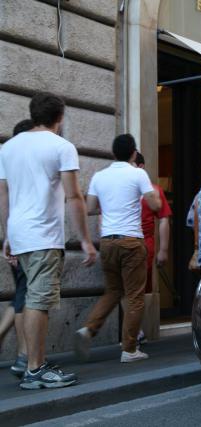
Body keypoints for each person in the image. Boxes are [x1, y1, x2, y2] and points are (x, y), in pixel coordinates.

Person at [0, 92, 97, 389]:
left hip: (19, 234)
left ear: (33, 114)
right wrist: (85, 240)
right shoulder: (61, 146)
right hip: (43, 236)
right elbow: (74, 197)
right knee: (38, 302)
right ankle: (35, 368)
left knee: (29, 298)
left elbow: (3, 194)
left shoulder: (8, 147)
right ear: (60, 117)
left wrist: (6, 235)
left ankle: (31, 362)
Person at [75, 134, 161, 363]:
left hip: (107, 242)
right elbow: (155, 205)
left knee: (113, 291)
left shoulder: (99, 176)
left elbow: (91, 207)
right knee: (134, 296)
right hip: (131, 241)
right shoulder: (138, 173)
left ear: (113, 153)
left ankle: (88, 329)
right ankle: (130, 349)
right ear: (133, 153)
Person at [0, 119, 33, 378]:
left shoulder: (7, 155)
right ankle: (24, 355)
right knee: (26, 296)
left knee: (22, 293)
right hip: (23, 237)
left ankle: (24, 354)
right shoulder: (20, 157)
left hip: (13, 234)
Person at [132, 152, 172, 344]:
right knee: (136, 291)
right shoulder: (153, 190)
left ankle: (134, 332)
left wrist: (163, 249)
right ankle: (134, 333)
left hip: (142, 246)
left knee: (133, 291)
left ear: (141, 167)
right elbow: (163, 218)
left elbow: (164, 218)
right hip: (141, 245)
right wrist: (162, 249)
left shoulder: (153, 190)